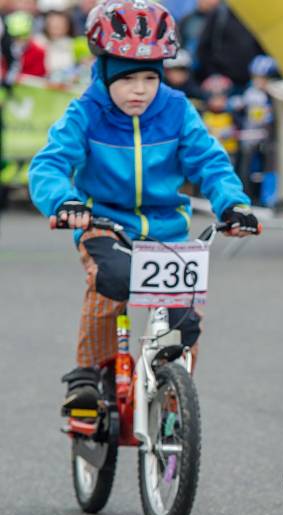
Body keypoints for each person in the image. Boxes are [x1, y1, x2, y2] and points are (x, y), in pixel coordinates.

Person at [27, 0, 259, 414]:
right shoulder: (86, 110)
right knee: (111, 280)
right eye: (128, 79)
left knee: (184, 320)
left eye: (150, 78)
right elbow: (49, 164)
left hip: (167, 228)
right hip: (104, 222)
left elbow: (210, 161)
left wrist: (233, 205)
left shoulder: (175, 108)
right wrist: (65, 202)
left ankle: (173, 401)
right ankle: (88, 375)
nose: (139, 90)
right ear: (104, 73)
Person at [233, 54, 279, 206]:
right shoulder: (250, 93)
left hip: (268, 138)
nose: (259, 81)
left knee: (267, 168)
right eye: (257, 77)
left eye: (263, 78)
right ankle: (248, 195)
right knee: (248, 167)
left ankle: (267, 198)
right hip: (250, 135)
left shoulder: (274, 95)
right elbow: (239, 110)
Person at [201, 73, 238, 158]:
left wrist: (231, 131)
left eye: (221, 97)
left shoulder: (231, 114)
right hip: (210, 151)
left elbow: (238, 126)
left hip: (228, 150)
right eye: (214, 98)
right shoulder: (205, 114)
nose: (218, 101)